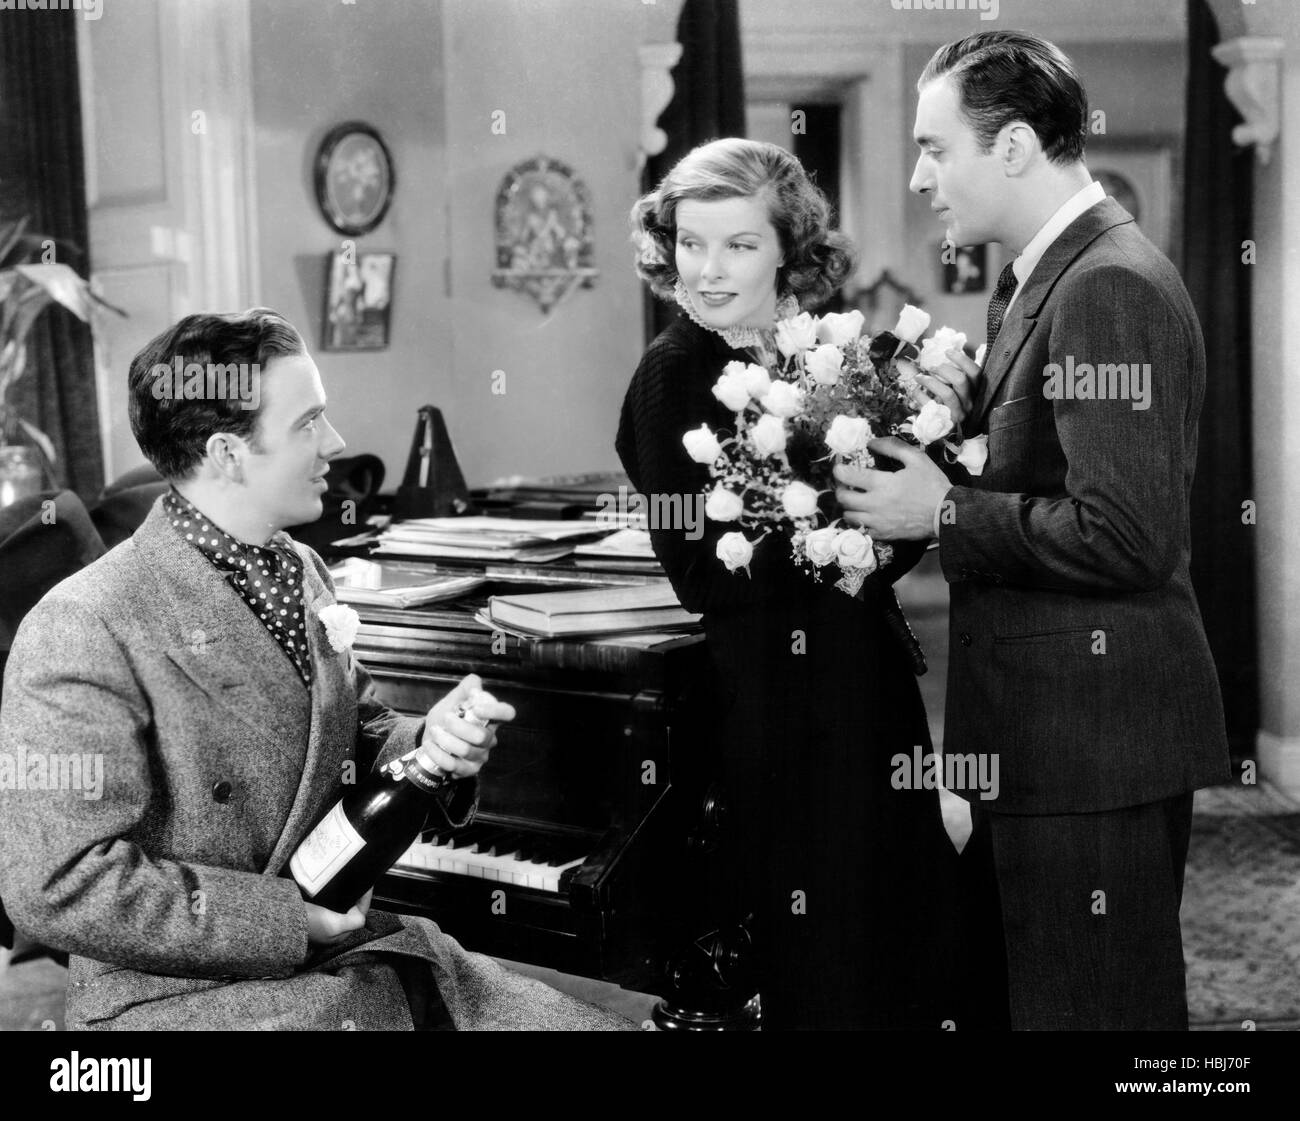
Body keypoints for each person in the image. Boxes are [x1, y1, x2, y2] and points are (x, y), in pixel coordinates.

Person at [0, 309, 633, 1031]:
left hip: (347, 956)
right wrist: (285, 920)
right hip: (183, 999)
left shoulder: (299, 569)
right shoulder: (85, 621)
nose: (334, 443)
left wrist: (432, 744)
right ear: (228, 454)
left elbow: (356, 731)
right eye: (308, 422)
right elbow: (55, 882)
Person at [835, 31, 1230, 1029]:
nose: (921, 176)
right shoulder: (1039, 277)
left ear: (1011, 147)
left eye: (936, 147)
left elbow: (1126, 532)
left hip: (1093, 742)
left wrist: (942, 512)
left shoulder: (1104, 286)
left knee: (1099, 1017)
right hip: (1056, 734)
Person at [617, 139, 976, 1030]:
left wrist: (906, 502)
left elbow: (898, 543)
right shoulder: (669, 375)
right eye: (690, 243)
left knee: (908, 930)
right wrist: (848, 532)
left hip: (868, 683)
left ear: (789, 249)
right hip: (774, 703)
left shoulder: (821, 353)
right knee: (822, 952)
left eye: (738, 244)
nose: (707, 270)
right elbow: (701, 571)